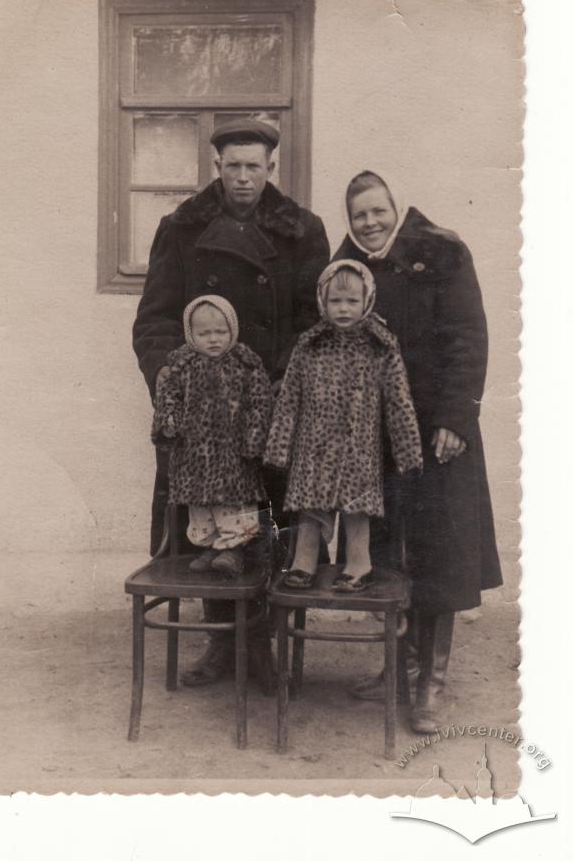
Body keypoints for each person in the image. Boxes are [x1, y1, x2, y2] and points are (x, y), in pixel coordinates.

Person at [133, 117, 330, 685]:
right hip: (201, 418)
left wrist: (277, 395)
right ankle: (220, 644)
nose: (244, 177)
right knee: (208, 524)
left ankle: (262, 647)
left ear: (271, 168)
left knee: (267, 522)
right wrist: (182, 389)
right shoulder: (182, 228)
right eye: (233, 166)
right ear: (217, 168)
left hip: (271, 406)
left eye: (254, 166)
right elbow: (155, 321)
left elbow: (311, 323)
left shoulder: (301, 229)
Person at [333, 170, 503, 733]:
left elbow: (469, 337)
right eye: (359, 215)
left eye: (378, 210)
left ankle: (429, 684)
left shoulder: (441, 250)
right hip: (376, 437)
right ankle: (396, 669)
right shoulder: (347, 268)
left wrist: (456, 417)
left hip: (438, 433)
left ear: (395, 207)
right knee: (387, 551)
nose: (371, 222)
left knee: (438, 554)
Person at [264, 259, 422, 592]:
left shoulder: (381, 346)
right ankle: (303, 563)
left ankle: (358, 565)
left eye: (352, 301)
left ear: (367, 300)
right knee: (310, 509)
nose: (344, 309)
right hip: (313, 449)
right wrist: (279, 449)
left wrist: (408, 452)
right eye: (336, 301)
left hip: (358, 450)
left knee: (357, 510)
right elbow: (289, 399)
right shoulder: (309, 346)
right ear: (323, 301)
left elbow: (398, 402)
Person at [152, 295, 273, 578]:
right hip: (194, 454)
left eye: (221, 332)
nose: (214, 339)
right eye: (204, 333)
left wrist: (254, 438)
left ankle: (233, 548)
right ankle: (210, 546)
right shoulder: (182, 366)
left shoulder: (245, 365)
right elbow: (169, 397)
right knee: (201, 507)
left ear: (233, 330)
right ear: (190, 335)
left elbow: (260, 402)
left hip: (234, 455)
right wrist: (169, 422)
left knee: (233, 503)